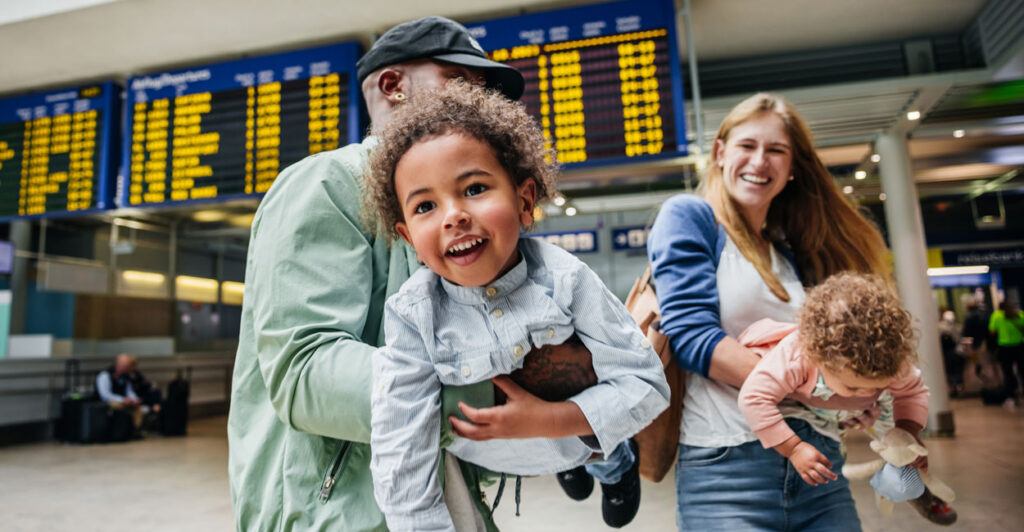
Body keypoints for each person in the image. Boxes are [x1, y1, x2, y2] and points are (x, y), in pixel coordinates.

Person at [227, 16, 598, 531]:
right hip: (336, 515)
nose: (478, 106)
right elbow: (306, 372)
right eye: (462, 84)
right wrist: (493, 393)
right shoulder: (329, 182)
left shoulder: (452, 218)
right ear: (392, 86)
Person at [363, 83, 669, 530]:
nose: (453, 215)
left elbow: (646, 384)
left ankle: (615, 466)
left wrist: (549, 419)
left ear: (525, 202)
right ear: (409, 238)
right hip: (497, 460)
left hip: (581, 436)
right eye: (425, 205)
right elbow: (400, 444)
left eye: (474, 188)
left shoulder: (566, 279)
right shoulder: (413, 313)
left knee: (596, 434)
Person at [647, 92, 896, 530]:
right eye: (747, 146)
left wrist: (852, 398)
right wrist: (820, 390)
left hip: (820, 465)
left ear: (793, 167)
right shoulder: (691, 217)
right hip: (727, 469)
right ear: (721, 153)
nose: (760, 161)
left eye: (776, 150)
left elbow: (819, 356)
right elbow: (691, 337)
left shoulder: (788, 254)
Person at [738, 273, 930, 487]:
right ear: (818, 358)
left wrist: (908, 432)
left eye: (878, 385)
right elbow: (753, 398)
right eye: (854, 386)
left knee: (888, 411)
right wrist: (793, 448)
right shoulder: (796, 356)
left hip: (838, 408)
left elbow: (912, 392)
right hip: (797, 402)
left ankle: (908, 477)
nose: (867, 394)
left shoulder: (891, 359)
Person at [95, 353, 144, 432]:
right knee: (119, 405)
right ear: (118, 365)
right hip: (106, 403)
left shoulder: (125, 376)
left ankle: (135, 430)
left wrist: (134, 399)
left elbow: (129, 391)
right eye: (126, 366)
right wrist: (122, 399)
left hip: (123, 401)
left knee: (136, 406)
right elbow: (105, 395)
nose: (128, 369)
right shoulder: (105, 375)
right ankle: (119, 430)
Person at [989, 300, 1024, 407]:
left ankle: (1012, 396)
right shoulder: (1019, 314)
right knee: (1022, 371)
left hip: (1004, 348)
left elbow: (992, 331)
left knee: (1008, 373)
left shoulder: (997, 315)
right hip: (1019, 346)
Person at [938, 309, 966, 396]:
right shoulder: (955, 327)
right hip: (951, 352)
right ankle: (955, 384)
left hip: (953, 352)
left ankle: (956, 384)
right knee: (953, 370)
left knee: (954, 370)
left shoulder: (955, 327)